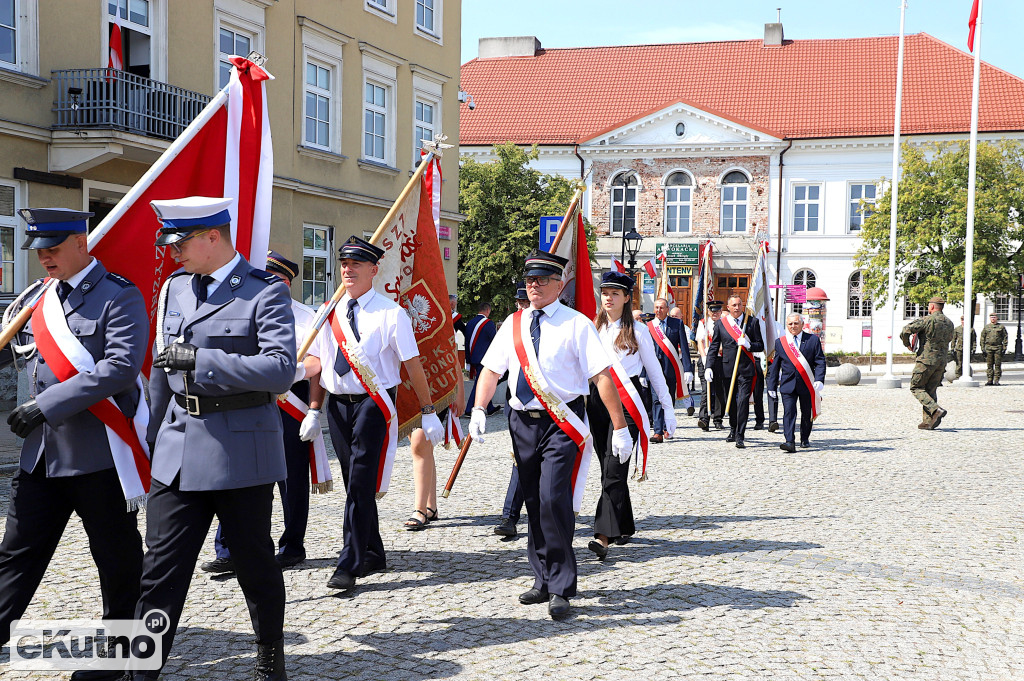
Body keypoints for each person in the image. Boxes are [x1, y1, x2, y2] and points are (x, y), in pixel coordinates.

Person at [133, 197, 297, 680]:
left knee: (254, 564)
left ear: (213, 238)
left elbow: (280, 371)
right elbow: (163, 368)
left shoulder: (263, 292)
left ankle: (270, 655)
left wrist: (201, 361)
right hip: (178, 447)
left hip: (239, 449)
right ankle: (142, 668)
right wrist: (152, 433)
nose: (172, 252)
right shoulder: (176, 287)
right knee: (160, 571)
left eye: (180, 242)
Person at [0, 208, 147, 681]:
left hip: (99, 454)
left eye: (53, 249)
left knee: (117, 559)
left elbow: (120, 367)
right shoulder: (35, 298)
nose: (43, 258)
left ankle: (119, 656)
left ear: (81, 243)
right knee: (16, 554)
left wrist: (45, 407)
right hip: (41, 455)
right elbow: (21, 353)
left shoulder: (118, 296)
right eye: (38, 250)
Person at [468, 250, 633, 620]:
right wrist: (478, 408)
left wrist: (619, 428)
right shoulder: (512, 324)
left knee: (553, 498)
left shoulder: (576, 324)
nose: (534, 286)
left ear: (560, 284)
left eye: (542, 280)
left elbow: (601, 377)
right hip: (522, 422)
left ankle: (561, 585)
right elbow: (491, 372)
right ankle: (541, 577)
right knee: (533, 501)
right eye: (529, 280)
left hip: (563, 423)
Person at [302, 236, 444, 592]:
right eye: (344, 264)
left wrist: (428, 410)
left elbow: (412, 364)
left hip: (373, 403)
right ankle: (374, 551)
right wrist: (313, 407)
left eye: (356, 265)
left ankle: (348, 562)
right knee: (354, 482)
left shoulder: (390, 312)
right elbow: (318, 365)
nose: (347, 270)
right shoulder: (328, 310)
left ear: (374, 270)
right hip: (336, 404)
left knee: (361, 483)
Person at [200, 251, 322, 575]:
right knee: (238, 475)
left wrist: (294, 371)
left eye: (277, 279)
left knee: (290, 479)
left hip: (288, 401)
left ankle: (292, 546)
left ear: (288, 282)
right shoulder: (240, 307)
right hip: (247, 400)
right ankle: (228, 549)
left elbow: (317, 361)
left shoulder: (304, 315)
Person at [587, 272, 675, 560]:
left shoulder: (638, 330)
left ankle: (603, 537)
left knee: (615, 465)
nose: (608, 298)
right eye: (605, 293)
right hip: (597, 401)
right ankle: (623, 524)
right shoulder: (591, 328)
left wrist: (668, 407)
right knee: (607, 468)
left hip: (629, 401)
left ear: (627, 298)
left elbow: (654, 370)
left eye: (615, 293)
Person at [403, 294, 465, 531]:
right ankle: (431, 505)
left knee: (419, 442)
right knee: (422, 447)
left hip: (435, 387)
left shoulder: (437, 318)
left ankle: (419, 509)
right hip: (407, 389)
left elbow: (451, 358)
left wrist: (458, 392)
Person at [494, 281, 530, 538]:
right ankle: (509, 517)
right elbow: (496, 365)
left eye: (525, 302)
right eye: (520, 303)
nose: (523, 307)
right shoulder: (512, 324)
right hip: (517, 403)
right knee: (520, 460)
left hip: (553, 407)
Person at [706, 294, 764, 448]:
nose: (737, 308)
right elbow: (714, 346)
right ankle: (733, 427)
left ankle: (740, 434)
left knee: (743, 401)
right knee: (730, 401)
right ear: (728, 307)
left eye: (739, 304)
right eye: (734, 305)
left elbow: (760, 345)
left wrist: (748, 345)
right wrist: (709, 367)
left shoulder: (751, 322)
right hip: (727, 369)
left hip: (746, 369)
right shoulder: (721, 324)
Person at [767, 313, 827, 452]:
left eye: (795, 323)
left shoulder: (812, 340)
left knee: (806, 413)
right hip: (788, 384)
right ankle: (789, 441)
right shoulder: (781, 342)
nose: (793, 326)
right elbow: (775, 365)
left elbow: (820, 361)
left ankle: (804, 438)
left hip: (806, 383)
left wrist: (819, 379)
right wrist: (771, 385)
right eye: (790, 324)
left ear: (801, 324)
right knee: (789, 412)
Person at [900, 296, 954, 429]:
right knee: (931, 389)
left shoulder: (927, 320)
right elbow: (950, 339)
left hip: (926, 360)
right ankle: (929, 421)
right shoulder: (950, 323)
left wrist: (907, 344)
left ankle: (935, 410)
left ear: (932, 307)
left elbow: (906, 330)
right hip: (941, 361)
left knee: (916, 387)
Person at [648, 297, 693, 443]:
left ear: (667, 309)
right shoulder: (649, 326)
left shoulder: (677, 324)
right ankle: (657, 432)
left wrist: (688, 369)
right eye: (656, 308)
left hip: (671, 369)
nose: (658, 311)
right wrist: (643, 373)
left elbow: (684, 348)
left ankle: (668, 426)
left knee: (669, 399)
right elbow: (645, 351)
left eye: (661, 308)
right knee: (656, 399)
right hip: (655, 369)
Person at [695, 301, 725, 431]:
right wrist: (704, 357)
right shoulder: (703, 323)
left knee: (720, 390)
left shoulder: (725, 323)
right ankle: (704, 418)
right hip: (707, 359)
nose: (715, 313)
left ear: (721, 311)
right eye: (712, 311)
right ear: (708, 312)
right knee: (706, 389)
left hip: (721, 359)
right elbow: (700, 341)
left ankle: (718, 418)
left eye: (717, 311)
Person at [464, 301, 498, 414]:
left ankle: (490, 407)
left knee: (485, 381)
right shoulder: (488, 323)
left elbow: (467, 341)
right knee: (480, 383)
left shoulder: (469, 323)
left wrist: (468, 360)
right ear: (488, 310)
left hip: (473, 356)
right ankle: (469, 409)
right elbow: (495, 340)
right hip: (484, 359)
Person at [979, 312, 1007, 386]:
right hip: (989, 347)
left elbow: (1005, 337)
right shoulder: (987, 327)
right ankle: (989, 380)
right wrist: (982, 348)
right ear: (990, 318)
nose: (993, 319)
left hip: (998, 347)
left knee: (997, 364)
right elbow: (982, 338)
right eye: (992, 317)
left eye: (994, 317)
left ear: (997, 318)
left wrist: (1004, 347)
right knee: (989, 365)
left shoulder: (1001, 327)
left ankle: (996, 380)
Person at [950, 315, 976, 381]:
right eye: (962, 320)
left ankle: (965, 375)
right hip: (959, 349)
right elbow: (954, 339)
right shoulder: (957, 329)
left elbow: (974, 340)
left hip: (967, 349)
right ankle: (958, 376)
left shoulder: (971, 329)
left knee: (966, 363)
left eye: (964, 320)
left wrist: (974, 348)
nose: (963, 322)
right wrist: (952, 348)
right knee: (959, 363)